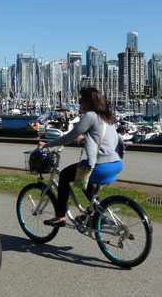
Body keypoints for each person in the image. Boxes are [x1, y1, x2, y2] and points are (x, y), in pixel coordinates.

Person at [38, 87, 123, 227]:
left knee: (65, 175)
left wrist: (49, 144)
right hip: (116, 163)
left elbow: (70, 136)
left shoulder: (90, 116)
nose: (79, 103)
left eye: (81, 100)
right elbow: (104, 138)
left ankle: (60, 217)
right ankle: (96, 215)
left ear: (89, 102)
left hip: (101, 165)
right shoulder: (107, 116)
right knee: (83, 177)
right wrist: (85, 138)